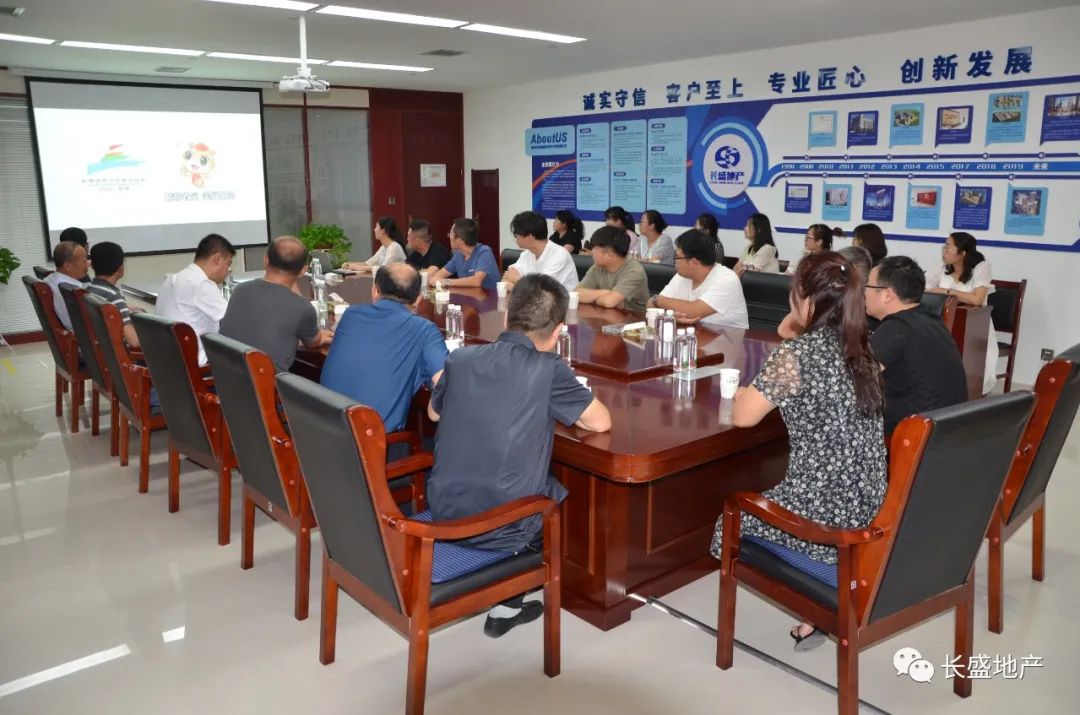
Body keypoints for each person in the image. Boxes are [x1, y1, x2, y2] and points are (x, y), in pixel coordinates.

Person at [711, 251, 887, 652]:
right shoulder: (864, 349)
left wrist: (751, 391)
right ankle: (817, 606)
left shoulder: (798, 355)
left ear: (806, 300)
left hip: (825, 519)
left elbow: (743, 416)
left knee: (729, 520)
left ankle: (819, 588)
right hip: (869, 505)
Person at [426, 274, 611, 637]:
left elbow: (434, 413)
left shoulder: (461, 358)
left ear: (507, 315)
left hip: (444, 509)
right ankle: (508, 602)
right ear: (558, 332)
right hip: (504, 529)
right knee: (554, 492)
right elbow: (601, 422)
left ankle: (506, 596)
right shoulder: (549, 369)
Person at [321, 262, 447, 448]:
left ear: (374, 291)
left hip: (326, 437)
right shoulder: (424, 330)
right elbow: (445, 384)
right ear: (418, 299)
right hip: (374, 448)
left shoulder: (350, 315)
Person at [865, 256, 967, 435]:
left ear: (888, 294)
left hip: (914, 434)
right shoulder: (931, 319)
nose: (864, 292)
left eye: (868, 286)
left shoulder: (895, 329)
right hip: (948, 428)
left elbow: (855, 380)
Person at [218, 236, 331, 373]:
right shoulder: (302, 308)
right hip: (267, 384)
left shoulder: (240, 290)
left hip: (226, 378)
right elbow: (312, 342)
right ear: (303, 270)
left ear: (266, 260)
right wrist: (319, 336)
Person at [924, 231, 997, 394]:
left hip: (975, 327)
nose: (944, 251)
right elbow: (924, 286)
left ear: (963, 253)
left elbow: (977, 299)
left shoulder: (981, 267)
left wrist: (946, 292)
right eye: (944, 246)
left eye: (948, 247)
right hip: (944, 323)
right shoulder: (942, 266)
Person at [156, 233, 236, 365]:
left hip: (169, 363)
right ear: (217, 259)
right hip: (197, 367)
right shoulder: (201, 284)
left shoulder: (171, 280)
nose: (228, 271)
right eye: (228, 264)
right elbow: (233, 320)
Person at [650, 229, 748, 329]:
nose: (674, 261)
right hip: (695, 334)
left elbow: (692, 311)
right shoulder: (682, 275)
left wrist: (658, 301)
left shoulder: (727, 279)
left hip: (729, 337)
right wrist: (667, 312)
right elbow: (649, 306)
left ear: (693, 262)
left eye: (677, 256)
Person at [575, 225, 650, 312]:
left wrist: (591, 299)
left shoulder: (635, 272)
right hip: (604, 315)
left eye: (595, 248)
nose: (592, 252)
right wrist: (605, 292)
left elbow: (609, 302)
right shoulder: (598, 267)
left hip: (634, 318)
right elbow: (576, 294)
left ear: (608, 255)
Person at [502, 211, 579, 291]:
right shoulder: (527, 253)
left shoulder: (559, 256)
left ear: (530, 236)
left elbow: (541, 291)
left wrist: (517, 280)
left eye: (516, 234)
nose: (516, 238)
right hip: (531, 298)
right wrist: (520, 285)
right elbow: (506, 278)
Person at [86, 241, 140, 348]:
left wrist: (126, 310)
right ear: (121, 268)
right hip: (114, 353)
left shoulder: (88, 289)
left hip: (96, 348)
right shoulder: (114, 296)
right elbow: (133, 342)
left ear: (92, 266)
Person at [427, 218, 501, 291]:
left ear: (460, 241)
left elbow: (476, 281)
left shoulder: (484, 252)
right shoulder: (458, 254)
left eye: (451, 234)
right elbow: (439, 275)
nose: (449, 237)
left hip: (490, 297)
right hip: (469, 297)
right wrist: (433, 279)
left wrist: (446, 282)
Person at [43, 240, 90, 331]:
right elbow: (74, 324)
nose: (87, 264)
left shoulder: (50, 279)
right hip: (82, 334)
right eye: (84, 260)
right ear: (67, 266)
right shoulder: (73, 290)